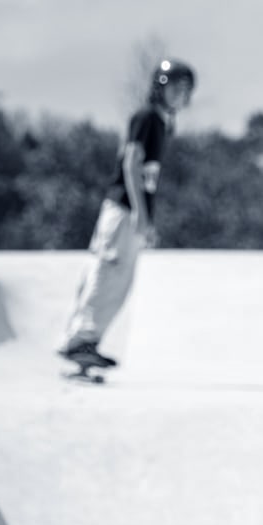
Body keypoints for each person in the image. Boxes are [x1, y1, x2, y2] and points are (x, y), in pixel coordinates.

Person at [58, 58, 195, 369]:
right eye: (176, 88)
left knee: (121, 280)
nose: (180, 95)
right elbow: (131, 162)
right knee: (108, 273)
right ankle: (79, 339)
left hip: (129, 210)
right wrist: (140, 214)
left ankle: (88, 343)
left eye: (185, 90)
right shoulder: (146, 118)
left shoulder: (160, 123)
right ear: (160, 88)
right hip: (123, 208)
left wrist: (147, 218)